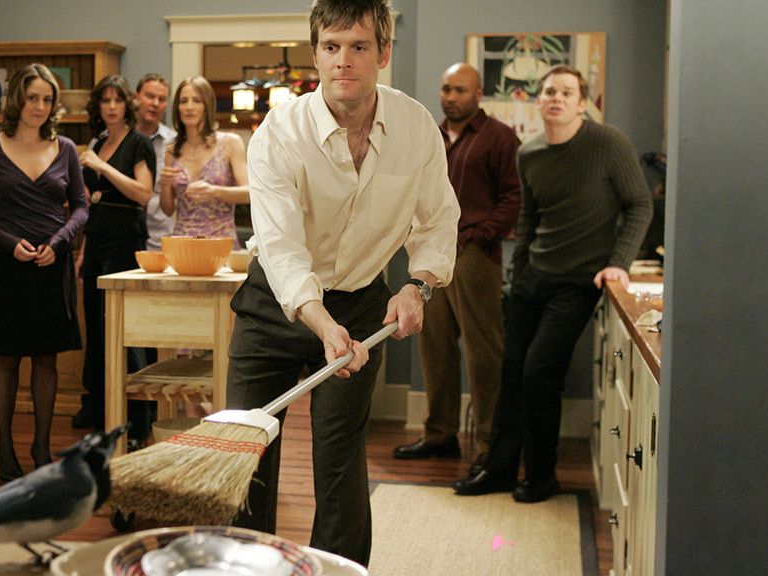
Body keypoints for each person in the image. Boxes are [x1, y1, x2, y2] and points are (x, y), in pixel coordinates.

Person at [226, 0, 460, 565]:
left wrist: (417, 286)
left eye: (359, 46)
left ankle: (340, 569)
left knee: (340, 458)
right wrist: (321, 323)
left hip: (360, 305)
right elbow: (281, 248)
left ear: (384, 52)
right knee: (248, 454)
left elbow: (437, 220)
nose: (343, 61)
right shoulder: (278, 133)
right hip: (273, 305)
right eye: (331, 47)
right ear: (316, 54)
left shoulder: (415, 128)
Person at [453, 65, 652, 503]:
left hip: (579, 282)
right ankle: (500, 470)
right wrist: (518, 271)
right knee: (511, 372)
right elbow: (529, 217)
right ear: (538, 101)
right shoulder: (530, 153)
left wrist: (618, 264)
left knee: (539, 373)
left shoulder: (609, 143)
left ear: (582, 104)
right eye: (549, 92)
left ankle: (542, 476)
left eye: (566, 92)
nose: (556, 98)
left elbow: (639, 204)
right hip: (533, 277)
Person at [0, 63, 88, 481]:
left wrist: (60, 242)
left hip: (52, 265)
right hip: (8, 265)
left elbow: (81, 206)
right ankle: (4, 446)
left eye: (47, 99)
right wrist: (5, 242)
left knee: (46, 359)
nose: (39, 106)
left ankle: (41, 446)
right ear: (17, 99)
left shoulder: (65, 148)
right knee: (5, 358)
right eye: (33, 97)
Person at [393, 63, 521, 472]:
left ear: (478, 93)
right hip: (430, 257)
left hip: (474, 256)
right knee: (434, 348)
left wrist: (480, 235)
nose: (451, 97)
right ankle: (440, 435)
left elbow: (514, 196)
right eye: (446, 89)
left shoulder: (499, 138)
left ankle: (488, 443)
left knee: (484, 353)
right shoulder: (430, 136)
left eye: (460, 90)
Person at [73, 75, 156, 443]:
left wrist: (102, 167)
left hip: (125, 243)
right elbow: (91, 203)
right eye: (104, 100)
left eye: (117, 100)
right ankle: (103, 420)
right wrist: (82, 251)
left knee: (121, 331)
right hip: (96, 243)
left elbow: (143, 193)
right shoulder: (97, 143)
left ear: (127, 105)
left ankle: (137, 422)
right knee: (96, 331)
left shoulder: (138, 143)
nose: (110, 107)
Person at [159, 76, 249, 247]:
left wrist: (214, 191)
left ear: (207, 106)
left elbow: (249, 193)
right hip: (182, 244)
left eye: (197, 101)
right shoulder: (172, 150)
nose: (189, 107)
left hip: (221, 243)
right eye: (184, 101)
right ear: (177, 107)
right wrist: (164, 184)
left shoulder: (230, 143)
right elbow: (168, 210)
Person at [135, 73, 177, 252]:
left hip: (162, 241)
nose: (155, 103)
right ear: (136, 97)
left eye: (162, 99)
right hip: (123, 238)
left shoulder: (174, 144)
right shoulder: (117, 139)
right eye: (150, 96)